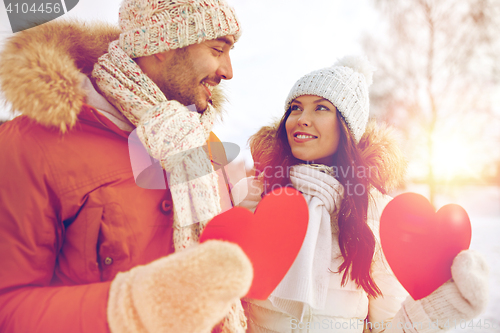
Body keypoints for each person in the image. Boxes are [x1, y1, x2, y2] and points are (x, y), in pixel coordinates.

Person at [0, 0, 254, 332]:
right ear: (163, 45)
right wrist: (134, 306)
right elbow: (8, 306)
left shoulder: (203, 143)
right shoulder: (32, 145)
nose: (228, 71)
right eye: (217, 49)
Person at [232, 56, 489, 332]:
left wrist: (437, 309)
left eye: (321, 108)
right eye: (295, 108)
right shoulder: (255, 194)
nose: (302, 119)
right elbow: (225, 305)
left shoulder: (375, 210)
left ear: (347, 127)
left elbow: (387, 326)